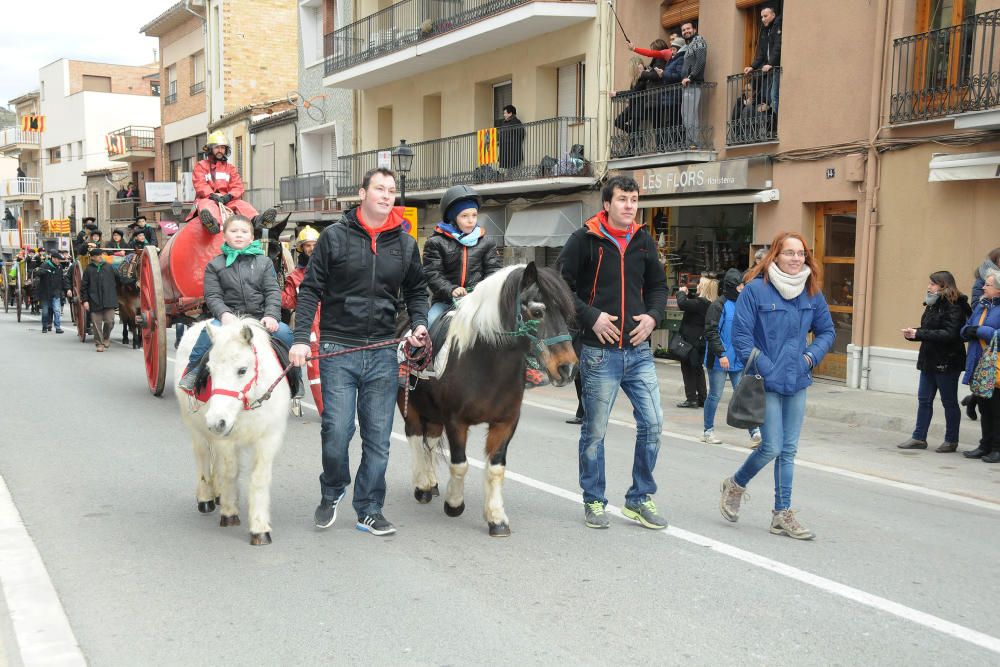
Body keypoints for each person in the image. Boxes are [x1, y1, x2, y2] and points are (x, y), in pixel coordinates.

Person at [289, 168, 429, 537]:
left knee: (378, 437)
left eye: (391, 190)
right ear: (362, 193)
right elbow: (310, 290)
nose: (386, 195)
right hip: (337, 349)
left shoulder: (405, 244)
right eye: (379, 189)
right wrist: (301, 337)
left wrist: (418, 323)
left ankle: (369, 508)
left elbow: (417, 290)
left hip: (384, 350)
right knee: (337, 430)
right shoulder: (334, 238)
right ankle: (332, 491)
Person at [558, 175, 669, 530]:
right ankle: (594, 500)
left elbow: (658, 286)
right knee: (595, 431)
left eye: (634, 200)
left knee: (653, 423)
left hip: (638, 351)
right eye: (622, 199)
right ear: (607, 204)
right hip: (599, 353)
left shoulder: (643, 240)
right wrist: (591, 317)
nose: (629, 206)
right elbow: (560, 287)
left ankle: (639, 499)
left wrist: (653, 317)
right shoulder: (584, 240)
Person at [719, 232, 835, 540]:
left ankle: (781, 514)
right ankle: (736, 483)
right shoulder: (756, 291)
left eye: (801, 253)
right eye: (790, 253)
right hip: (764, 380)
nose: (797, 258)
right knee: (771, 446)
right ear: (775, 256)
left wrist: (810, 358)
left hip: (797, 379)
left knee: (789, 450)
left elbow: (827, 331)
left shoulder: (811, 292)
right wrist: (765, 367)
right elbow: (741, 337)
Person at [177, 215, 296, 391]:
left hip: (260, 316)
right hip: (229, 317)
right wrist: (224, 315)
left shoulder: (264, 263)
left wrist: (271, 315)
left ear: (252, 237)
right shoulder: (214, 265)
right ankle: (192, 370)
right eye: (233, 231)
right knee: (205, 336)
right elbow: (213, 296)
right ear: (224, 236)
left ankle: (295, 376)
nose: (239, 235)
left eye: (244, 231)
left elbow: (272, 292)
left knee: (285, 333)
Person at [898, 271, 971, 452]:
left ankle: (951, 440)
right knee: (924, 400)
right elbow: (928, 330)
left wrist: (920, 333)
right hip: (929, 359)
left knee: (949, 402)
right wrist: (913, 333)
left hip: (947, 360)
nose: (929, 287)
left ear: (944, 285)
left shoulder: (954, 306)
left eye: (932, 284)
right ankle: (919, 438)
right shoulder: (933, 303)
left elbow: (950, 334)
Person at [422, 185, 501, 330]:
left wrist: (480, 291)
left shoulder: (487, 242)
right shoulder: (435, 243)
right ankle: (414, 351)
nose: (471, 220)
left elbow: (494, 272)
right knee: (428, 326)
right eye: (464, 216)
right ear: (453, 218)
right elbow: (432, 274)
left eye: (474, 215)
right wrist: (451, 289)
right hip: (445, 302)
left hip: (477, 302)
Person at [703, 268, 761, 444]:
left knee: (743, 395)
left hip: (739, 359)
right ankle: (708, 431)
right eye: (742, 284)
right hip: (720, 360)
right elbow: (711, 332)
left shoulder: (744, 304)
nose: (745, 286)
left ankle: (755, 433)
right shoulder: (718, 306)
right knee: (715, 395)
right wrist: (721, 354)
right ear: (735, 286)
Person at [191, 131, 277, 234]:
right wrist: (212, 195)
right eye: (217, 147)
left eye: (223, 148)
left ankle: (257, 220)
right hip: (208, 198)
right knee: (206, 205)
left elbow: (238, 186)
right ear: (210, 149)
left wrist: (229, 196)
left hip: (226, 199)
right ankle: (212, 223)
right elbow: (200, 184)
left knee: (242, 204)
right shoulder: (201, 165)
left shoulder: (230, 168)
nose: (220, 150)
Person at [960, 269, 1000, 463]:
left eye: (988, 285)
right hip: (979, 363)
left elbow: (996, 335)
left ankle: (997, 449)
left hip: (996, 366)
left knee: (997, 409)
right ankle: (984, 445)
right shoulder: (982, 306)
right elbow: (965, 328)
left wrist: (980, 330)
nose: (983, 287)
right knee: (984, 407)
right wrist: (971, 330)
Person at [675, 275, 714, 408]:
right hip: (700, 341)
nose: (696, 286)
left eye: (699, 284)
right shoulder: (709, 303)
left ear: (703, 288)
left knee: (687, 369)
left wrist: (681, 292)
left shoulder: (699, 303)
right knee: (697, 369)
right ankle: (702, 398)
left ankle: (691, 398)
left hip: (690, 342)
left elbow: (682, 304)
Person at [81, 248, 126, 352]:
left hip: (109, 300)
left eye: (101, 255)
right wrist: (85, 300)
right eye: (98, 255)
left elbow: (120, 279)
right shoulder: (88, 269)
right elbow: (84, 287)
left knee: (110, 322)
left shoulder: (109, 267)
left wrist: (133, 282)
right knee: (96, 324)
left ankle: (106, 337)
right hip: (94, 300)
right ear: (92, 257)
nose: (101, 257)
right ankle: (99, 344)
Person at [744, 6, 782, 116]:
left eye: (765, 16)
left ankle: (776, 125)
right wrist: (752, 66)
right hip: (769, 69)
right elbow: (761, 53)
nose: (762, 19)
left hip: (775, 68)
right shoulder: (765, 31)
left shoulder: (777, 26)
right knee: (768, 94)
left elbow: (777, 47)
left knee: (773, 95)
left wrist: (771, 63)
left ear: (773, 15)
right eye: (761, 17)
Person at [680, 21, 708, 150]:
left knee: (691, 114)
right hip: (688, 85)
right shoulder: (690, 44)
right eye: (684, 30)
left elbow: (701, 61)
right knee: (685, 114)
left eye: (688, 29)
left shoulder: (699, 41)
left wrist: (690, 77)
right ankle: (689, 142)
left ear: (695, 29)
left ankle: (694, 143)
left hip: (693, 84)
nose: (686, 31)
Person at [35, 250, 71, 334]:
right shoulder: (45, 264)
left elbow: (62, 279)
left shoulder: (60, 267)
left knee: (57, 310)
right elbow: (38, 272)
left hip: (56, 292)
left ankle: (58, 327)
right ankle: (44, 326)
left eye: (59, 259)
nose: (59, 261)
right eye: (58, 259)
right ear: (53, 259)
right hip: (45, 292)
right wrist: (45, 271)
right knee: (45, 311)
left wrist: (66, 289)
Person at [497, 105, 525, 171]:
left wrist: (514, 142)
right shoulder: (504, 123)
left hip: (513, 150)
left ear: (510, 113)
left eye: (505, 113)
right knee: (507, 169)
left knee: (514, 168)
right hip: (505, 149)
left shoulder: (516, 122)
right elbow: (500, 134)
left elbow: (521, 134)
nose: (504, 115)